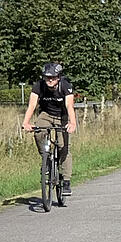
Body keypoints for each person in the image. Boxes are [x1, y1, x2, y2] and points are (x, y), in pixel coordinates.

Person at [21, 61, 76, 196]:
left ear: (58, 77)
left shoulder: (65, 85)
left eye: (53, 77)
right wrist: (26, 122)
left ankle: (66, 181)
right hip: (46, 114)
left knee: (64, 147)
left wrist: (72, 123)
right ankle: (46, 160)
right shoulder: (38, 86)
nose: (50, 80)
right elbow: (32, 105)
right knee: (38, 132)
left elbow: (69, 105)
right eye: (47, 77)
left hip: (62, 116)